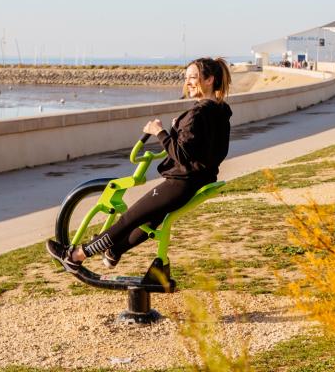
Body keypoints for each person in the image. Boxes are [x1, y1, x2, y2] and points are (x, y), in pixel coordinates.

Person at [46, 57, 232, 273]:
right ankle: (114, 252)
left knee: (129, 219)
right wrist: (177, 130)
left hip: (181, 183)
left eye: (193, 77)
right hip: (200, 180)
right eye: (186, 77)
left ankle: (76, 256)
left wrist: (159, 132)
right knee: (151, 220)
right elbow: (207, 149)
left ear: (209, 80)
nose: (188, 82)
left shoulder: (197, 114)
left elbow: (181, 154)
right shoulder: (220, 111)